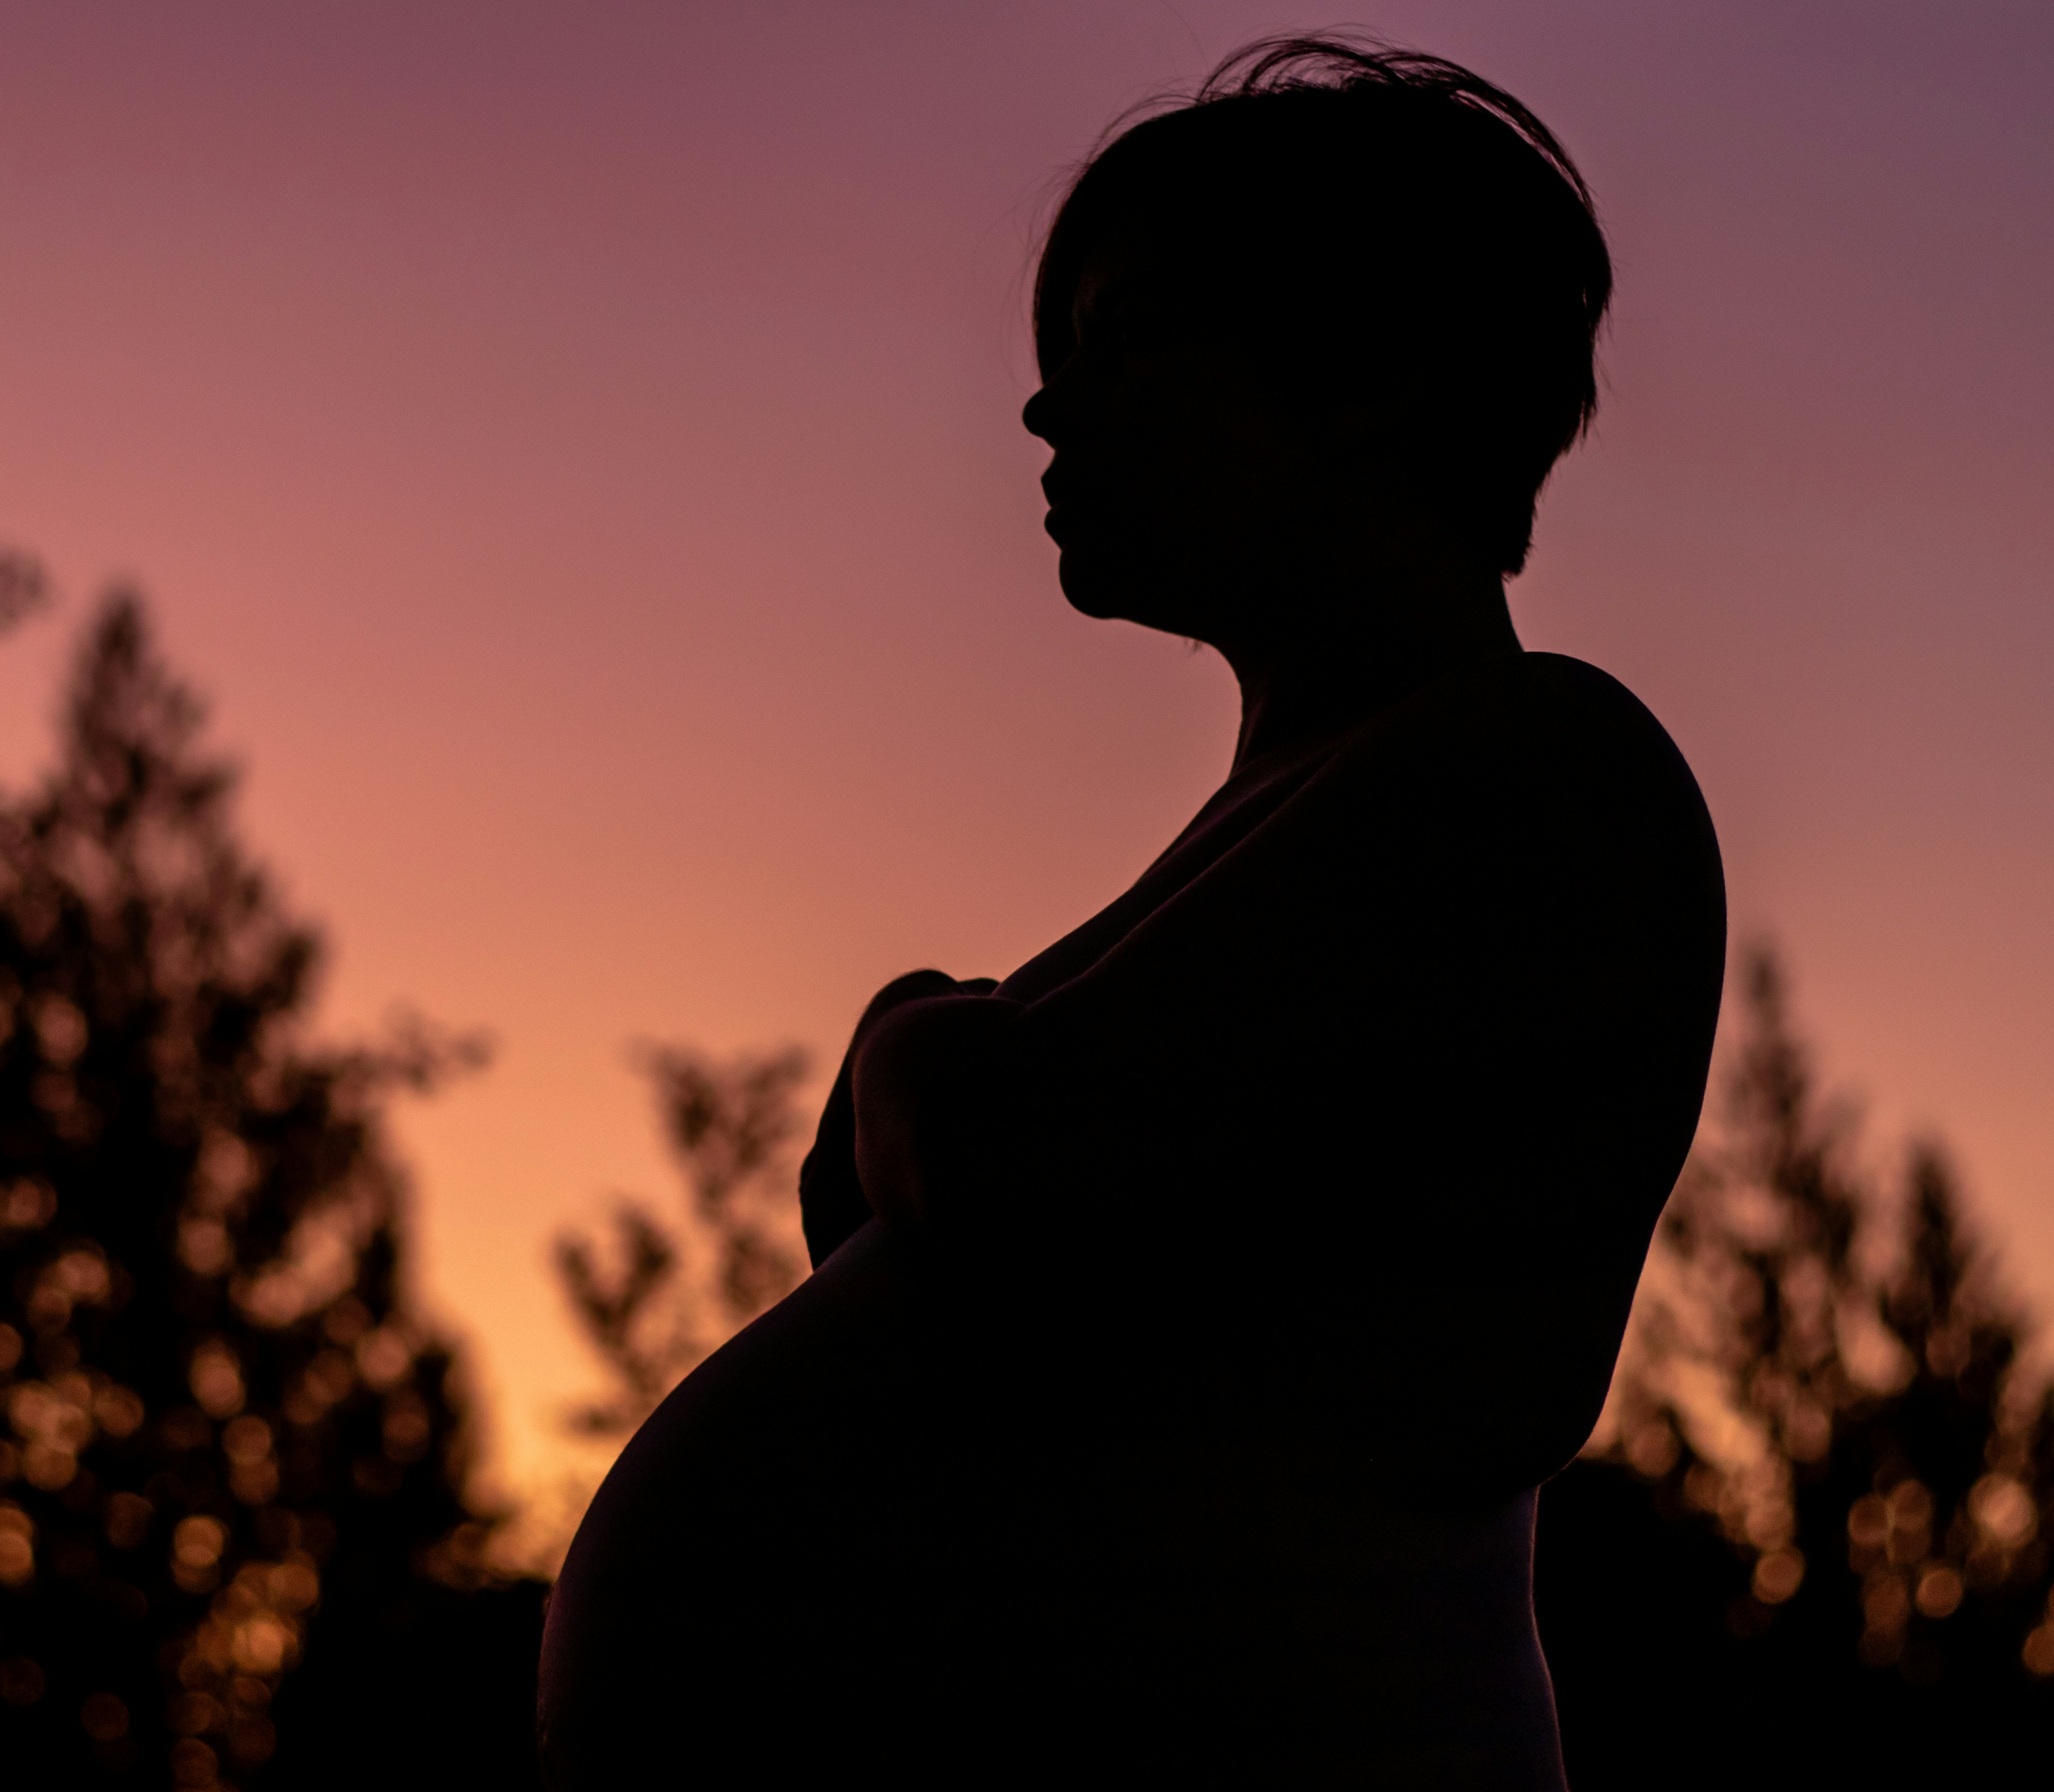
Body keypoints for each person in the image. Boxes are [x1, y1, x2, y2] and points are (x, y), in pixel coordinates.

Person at [538, 36, 1724, 1789]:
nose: (1048, 407)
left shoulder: (1539, 763)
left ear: (1374, 370)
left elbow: (1013, 1154)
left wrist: (904, 1044)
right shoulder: (1297, 832)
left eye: (1126, 335)